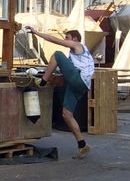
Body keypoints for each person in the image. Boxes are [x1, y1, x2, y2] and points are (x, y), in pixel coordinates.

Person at [25, 27, 94, 159]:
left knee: (57, 54)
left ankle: (42, 82)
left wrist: (36, 33)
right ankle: (82, 144)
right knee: (66, 114)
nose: (65, 40)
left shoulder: (78, 45)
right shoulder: (78, 55)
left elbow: (54, 40)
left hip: (78, 79)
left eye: (67, 38)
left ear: (74, 38)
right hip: (82, 85)